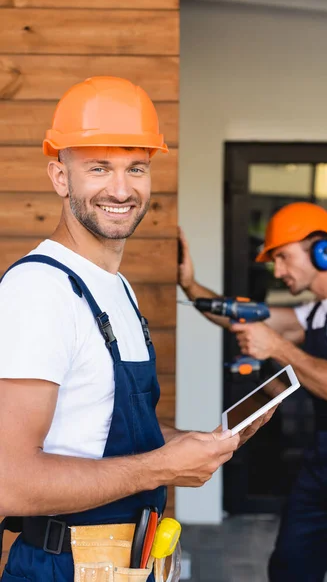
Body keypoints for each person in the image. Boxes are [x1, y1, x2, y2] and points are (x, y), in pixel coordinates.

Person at [0, 76, 276, 582]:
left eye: (136, 168)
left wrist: (193, 443)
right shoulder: (40, 291)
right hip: (63, 567)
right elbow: (8, 482)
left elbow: (100, 428)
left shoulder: (117, 288)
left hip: (132, 562)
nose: (122, 189)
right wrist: (163, 468)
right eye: (99, 168)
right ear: (60, 176)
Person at [178, 201, 327, 582]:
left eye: (282, 257)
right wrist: (190, 284)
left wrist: (277, 347)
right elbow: (242, 317)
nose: (277, 271)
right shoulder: (318, 310)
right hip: (325, 457)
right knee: (290, 568)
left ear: (322, 249)